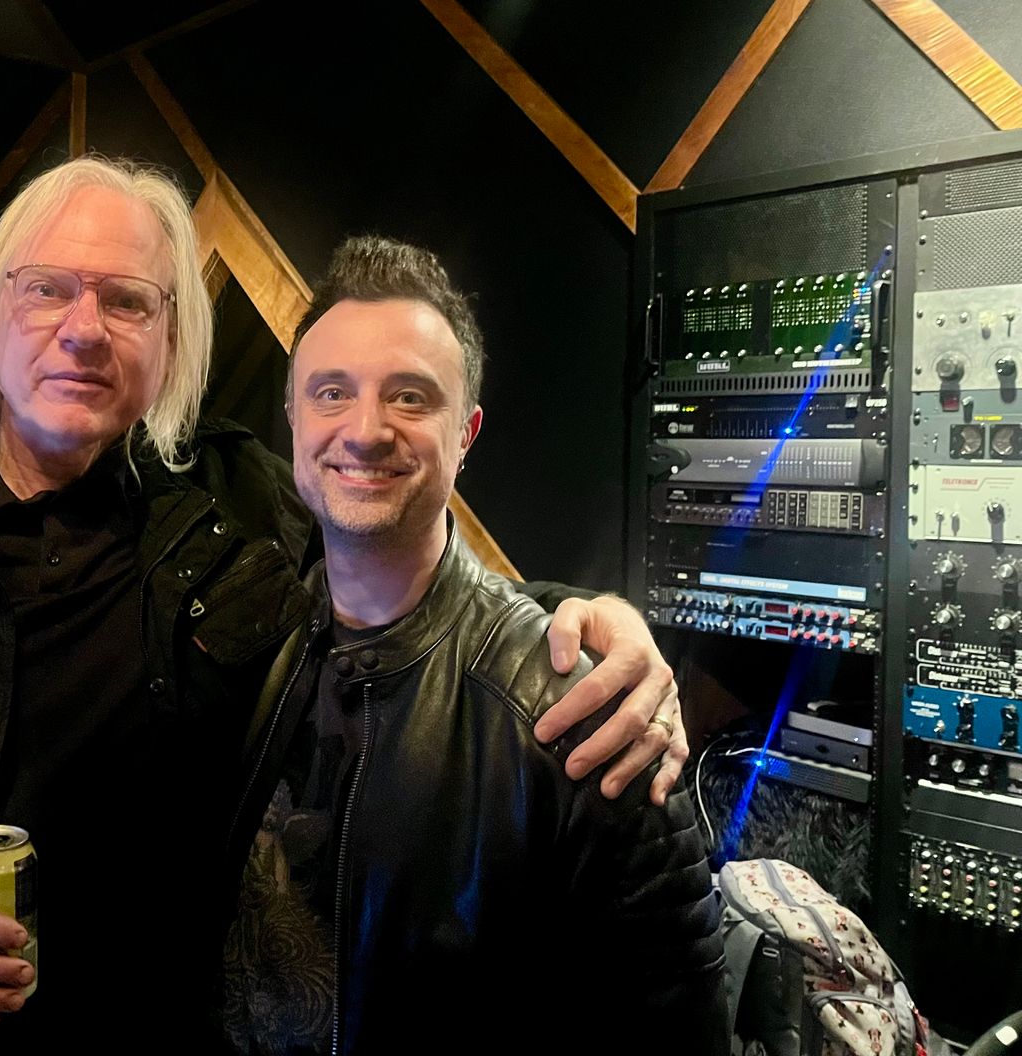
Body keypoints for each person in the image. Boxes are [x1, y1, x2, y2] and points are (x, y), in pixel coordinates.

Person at [0, 157, 691, 1053]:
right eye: (48, 288)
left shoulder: (236, 513)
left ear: (169, 339)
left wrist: (581, 625)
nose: (84, 329)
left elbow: (390, 556)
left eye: (128, 300)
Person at [222, 237, 728, 1054]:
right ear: (293, 419)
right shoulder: (245, 646)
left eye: (410, 397)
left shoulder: (587, 713)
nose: (365, 430)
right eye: (332, 392)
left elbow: (677, 1032)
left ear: (466, 433)